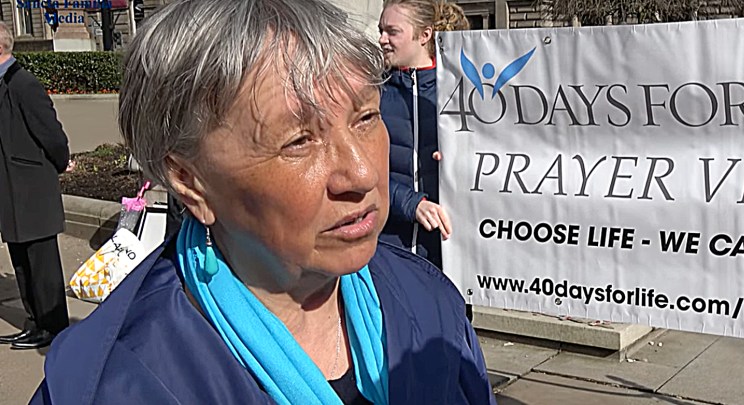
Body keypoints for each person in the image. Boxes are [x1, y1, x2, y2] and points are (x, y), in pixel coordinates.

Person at [30, 1, 495, 403]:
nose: (362, 172)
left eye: (366, 116)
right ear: (189, 181)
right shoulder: (109, 386)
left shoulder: (431, 304)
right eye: (298, 141)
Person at [378, 0, 469, 272]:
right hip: (388, 250)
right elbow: (361, 171)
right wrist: (410, 203)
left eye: (392, 32)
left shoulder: (462, 92)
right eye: (380, 30)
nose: (382, 40)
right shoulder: (371, 93)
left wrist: (462, 159)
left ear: (424, 35)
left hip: (449, 255)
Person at [0, 21, 72, 351]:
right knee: (21, 262)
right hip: (10, 191)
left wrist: (59, 163)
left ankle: (53, 327)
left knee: (42, 265)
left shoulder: (23, 84)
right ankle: (34, 323)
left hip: (32, 190)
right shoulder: (4, 84)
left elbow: (52, 134)